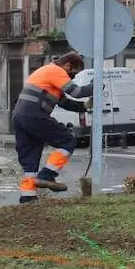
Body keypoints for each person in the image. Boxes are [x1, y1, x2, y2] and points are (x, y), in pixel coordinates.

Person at [11, 51, 93, 203]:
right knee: (67, 141)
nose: (72, 78)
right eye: (73, 74)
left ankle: (28, 198)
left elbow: (64, 102)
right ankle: (47, 175)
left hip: (19, 117)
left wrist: (85, 106)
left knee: (30, 160)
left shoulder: (44, 72)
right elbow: (77, 91)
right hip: (35, 115)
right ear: (67, 65)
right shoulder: (56, 70)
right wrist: (94, 86)